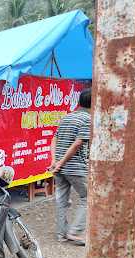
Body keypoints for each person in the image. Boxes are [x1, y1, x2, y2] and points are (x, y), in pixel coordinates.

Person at [50, 88, 92, 246]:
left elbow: (54, 139)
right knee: (88, 197)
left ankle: (61, 235)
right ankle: (74, 232)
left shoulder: (67, 117)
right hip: (74, 168)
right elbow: (78, 143)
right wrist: (60, 162)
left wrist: (55, 161)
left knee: (61, 201)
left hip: (59, 170)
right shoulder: (87, 119)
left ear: (79, 101)